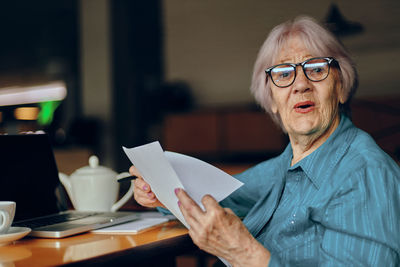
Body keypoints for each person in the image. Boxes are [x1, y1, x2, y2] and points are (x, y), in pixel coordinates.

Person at [130, 16, 400, 266]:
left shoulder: (364, 174)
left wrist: (244, 253)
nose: (300, 84)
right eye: (284, 74)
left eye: (316, 69)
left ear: (340, 87)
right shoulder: (288, 164)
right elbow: (226, 198)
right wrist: (162, 190)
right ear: (271, 99)